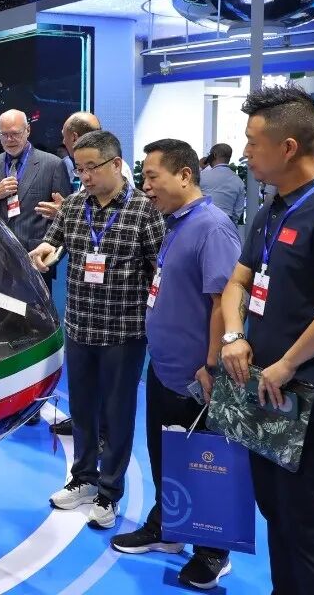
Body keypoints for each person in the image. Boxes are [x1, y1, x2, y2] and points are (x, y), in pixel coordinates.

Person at [220, 85, 314, 595]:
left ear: (288, 147)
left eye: (253, 142)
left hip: (312, 402)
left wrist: (289, 362)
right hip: (265, 393)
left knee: (306, 525)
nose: (245, 151)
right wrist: (233, 335)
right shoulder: (272, 209)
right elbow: (238, 281)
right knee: (275, 511)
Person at [111, 138, 240, 589]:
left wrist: (211, 364)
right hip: (164, 369)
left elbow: (224, 301)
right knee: (167, 457)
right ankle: (168, 526)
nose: (145, 186)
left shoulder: (213, 228)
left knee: (205, 463)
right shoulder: (175, 223)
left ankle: (213, 551)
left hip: (196, 377)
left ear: (184, 175)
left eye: (152, 176)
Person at [29, 131, 164, 530]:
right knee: (82, 410)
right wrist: (45, 252)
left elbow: (159, 268)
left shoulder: (143, 210)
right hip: (79, 326)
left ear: (116, 164)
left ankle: (109, 491)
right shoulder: (74, 205)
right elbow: (53, 242)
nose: (84, 176)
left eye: (91, 168)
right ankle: (84, 478)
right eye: (79, 168)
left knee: (117, 415)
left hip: (123, 331)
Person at [0, 109, 72, 290]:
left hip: (34, 257)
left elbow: (64, 216)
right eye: (4, 134)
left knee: (34, 308)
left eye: (15, 134)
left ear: (28, 130)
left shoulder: (52, 165)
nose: (9, 139)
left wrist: (51, 254)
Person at [36, 111, 134, 221]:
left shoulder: (115, 168)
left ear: (74, 137)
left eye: (92, 167)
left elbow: (113, 217)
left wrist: (66, 213)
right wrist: (69, 209)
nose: (86, 177)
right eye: (80, 170)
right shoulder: (111, 165)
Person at [200, 143, 247, 225]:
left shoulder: (202, 176)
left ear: (214, 155)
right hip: (227, 223)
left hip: (203, 221)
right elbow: (237, 211)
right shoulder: (238, 181)